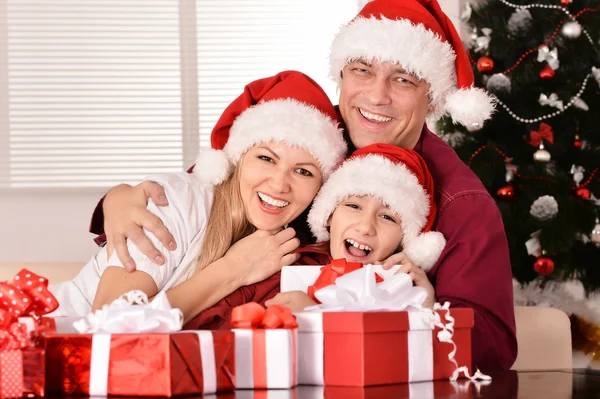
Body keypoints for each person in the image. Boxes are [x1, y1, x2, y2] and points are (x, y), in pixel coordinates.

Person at [90, 0, 517, 371]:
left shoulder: (461, 201)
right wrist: (119, 200)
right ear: (341, 75)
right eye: (361, 70)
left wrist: (341, 317)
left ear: (434, 96)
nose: (376, 96)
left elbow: (492, 347)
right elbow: (206, 195)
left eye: (404, 79)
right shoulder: (309, 131)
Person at [49, 71, 347, 323]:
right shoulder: (180, 200)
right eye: (266, 159)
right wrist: (232, 270)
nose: (281, 184)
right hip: (41, 342)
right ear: (238, 158)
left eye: (304, 172)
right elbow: (111, 322)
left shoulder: (286, 245)